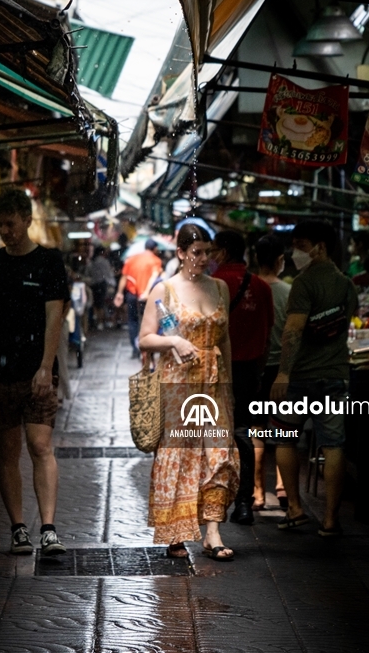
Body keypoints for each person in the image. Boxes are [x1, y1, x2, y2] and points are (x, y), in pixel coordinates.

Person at [0, 188, 69, 556]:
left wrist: (46, 366)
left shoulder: (49, 262)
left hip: (37, 371)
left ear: (28, 221)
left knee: (40, 445)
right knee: (7, 449)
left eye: (11, 223)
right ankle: (17, 527)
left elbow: (54, 317)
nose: (6, 231)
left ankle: (47, 526)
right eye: (1, 224)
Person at [139, 224, 240, 561]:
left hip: (214, 381)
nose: (203, 259)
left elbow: (224, 339)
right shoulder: (163, 290)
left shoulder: (221, 288)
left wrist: (230, 386)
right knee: (180, 455)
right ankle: (176, 533)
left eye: (207, 253)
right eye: (196, 253)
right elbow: (145, 338)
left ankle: (212, 531)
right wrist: (174, 340)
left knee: (218, 452)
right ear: (181, 253)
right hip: (178, 383)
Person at [270, 221, 358, 538]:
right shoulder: (346, 285)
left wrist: (283, 372)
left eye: (302, 244)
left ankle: (295, 508)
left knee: (285, 437)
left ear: (320, 246)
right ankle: (331, 520)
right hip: (335, 375)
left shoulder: (303, 284)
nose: (296, 251)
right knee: (334, 444)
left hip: (302, 378)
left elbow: (293, 331)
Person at [210, 230, 274, 526]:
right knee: (244, 434)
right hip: (249, 373)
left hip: (214, 372)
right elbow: (268, 335)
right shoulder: (261, 286)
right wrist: (259, 371)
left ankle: (215, 500)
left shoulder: (210, 285)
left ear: (222, 251)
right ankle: (244, 502)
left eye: (211, 250)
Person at [252, 234, 290, 511]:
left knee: (256, 431)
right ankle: (282, 486)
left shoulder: (249, 288)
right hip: (283, 370)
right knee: (283, 430)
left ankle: (257, 492)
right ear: (280, 260)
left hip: (255, 368)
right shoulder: (289, 292)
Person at [114, 239, 163, 359]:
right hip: (148, 296)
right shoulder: (156, 260)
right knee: (149, 321)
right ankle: (147, 348)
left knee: (132, 321)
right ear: (154, 249)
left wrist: (119, 293)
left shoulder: (131, 259)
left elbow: (124, 277)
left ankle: (135, 349)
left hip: (132, 294)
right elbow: (154, 276)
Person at [85, 246, 115, 330]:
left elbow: (88, 273)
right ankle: (101, 322)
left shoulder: (92, 261)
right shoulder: (104, 261)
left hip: (94, 284)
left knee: (95, 304)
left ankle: (97, 322)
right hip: (102, 284)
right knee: (101, 304)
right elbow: (109, 274)